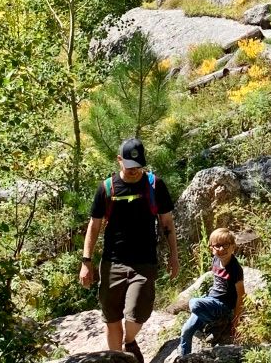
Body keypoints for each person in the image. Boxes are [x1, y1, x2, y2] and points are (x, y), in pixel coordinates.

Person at [79, 137, 180, 362]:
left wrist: (174, 256)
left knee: (137, 313)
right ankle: (118, 358)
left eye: (139, 166)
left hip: (144, 262)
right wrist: (87, 262)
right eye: (130, 166)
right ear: (119, 161)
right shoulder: (107, 188)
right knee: (111, 318)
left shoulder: (155, 185)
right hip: (112, 262)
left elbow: (167, 224)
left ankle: (129, 341)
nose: (135, 171)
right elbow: (94, 226)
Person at [178, 227, 245, 357]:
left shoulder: (235, 269)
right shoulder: (215, 260)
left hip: (223, 306)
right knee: (186, 330)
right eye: (217, 246)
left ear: (233, 247)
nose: (221, 249)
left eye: (226, 245)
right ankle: (184, 357)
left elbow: (241, 295)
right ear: (211, 248)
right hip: (210, 302)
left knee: (194, 303)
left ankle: (218, 322)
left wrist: (237, 320)